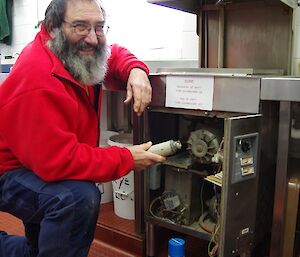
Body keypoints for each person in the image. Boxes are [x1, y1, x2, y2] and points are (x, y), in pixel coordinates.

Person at [0, 0, 165, 256]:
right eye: (80, 27)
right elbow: (57, 161)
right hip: (9, 171)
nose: (92, 39)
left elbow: (115, 53)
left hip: (33, 160)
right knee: (75, 198)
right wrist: (126, 158)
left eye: (99, 27)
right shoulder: (38, 76)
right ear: (53, 27)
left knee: (39, 247)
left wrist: (136, 70)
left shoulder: (67, 52)